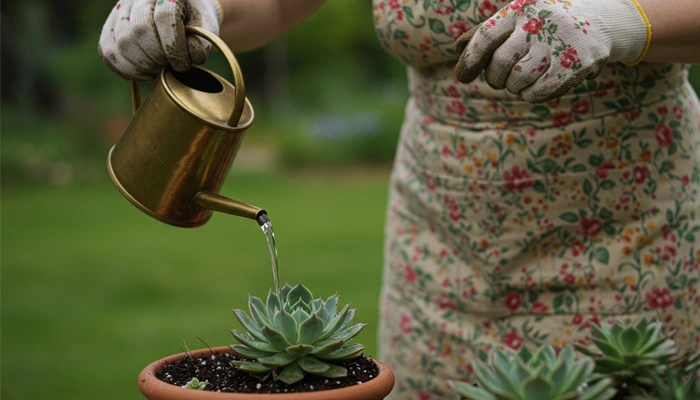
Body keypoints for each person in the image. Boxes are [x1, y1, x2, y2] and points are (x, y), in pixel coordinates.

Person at [99, 0, 700, 398]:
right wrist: (198, 8)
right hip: (438, 244)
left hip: (627, 238)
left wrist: (620, 20)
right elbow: (278, 5)